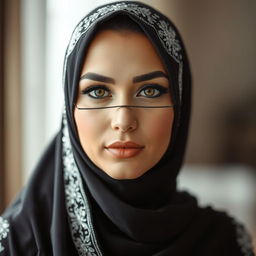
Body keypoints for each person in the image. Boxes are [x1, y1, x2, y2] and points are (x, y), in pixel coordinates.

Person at [0, 1, 254, 255]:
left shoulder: (224, 242)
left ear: (180, 105)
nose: (123, 121)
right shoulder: (18, 245)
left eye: (150, 91)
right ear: (70, 106)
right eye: (98, 91)